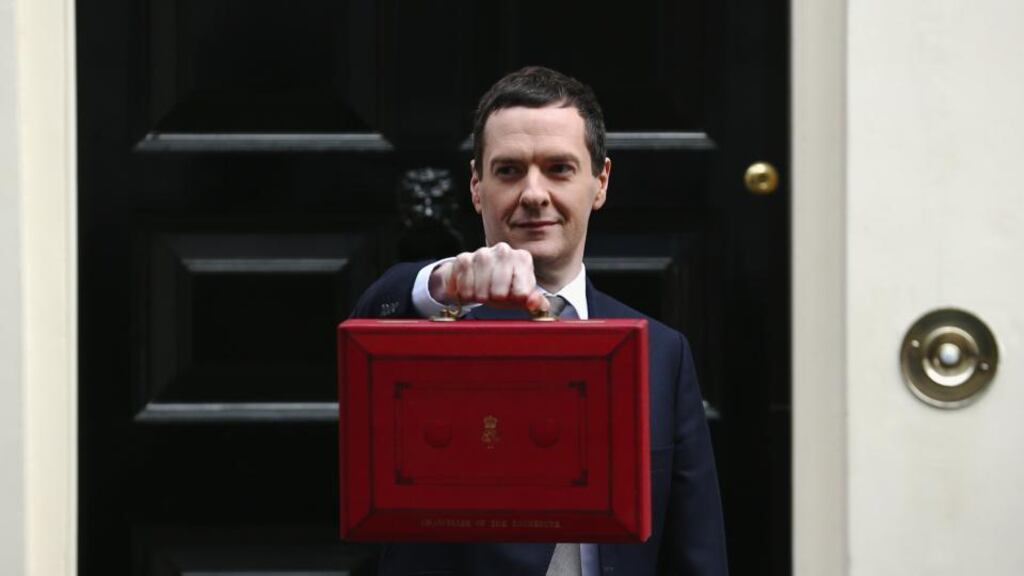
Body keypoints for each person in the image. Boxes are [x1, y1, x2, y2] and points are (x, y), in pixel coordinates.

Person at [351, 66, 728, 576]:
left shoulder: (664, 352)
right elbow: (371, 321)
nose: (533, 193)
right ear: (476, 187)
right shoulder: (431, 320)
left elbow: (695, 548)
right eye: (508, 170)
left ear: (600, 182)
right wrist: (445, 284)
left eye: (558, 168)